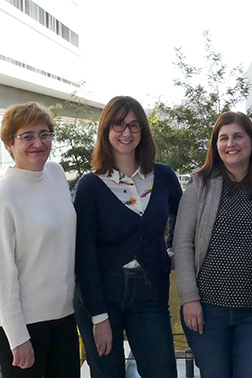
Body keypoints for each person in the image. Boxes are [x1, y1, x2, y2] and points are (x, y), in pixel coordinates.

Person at [173, 111, 252, 378]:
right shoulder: (199, 186)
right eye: (223, 138)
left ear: (251, 141)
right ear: (215, 146)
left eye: (238, 136)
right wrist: (189, 298)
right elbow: (182, 244)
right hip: (207, 310)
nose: (231, 144)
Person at [73, 96, 181, 378]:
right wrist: (98, 316)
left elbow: (182, 219)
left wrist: (172, 251)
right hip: (102, 296)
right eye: (118, 125)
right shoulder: (91, 186)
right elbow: (83, 255)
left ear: (142, 131)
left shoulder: (163, 176)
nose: (127, 132)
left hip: (150, 292)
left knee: (162, 372)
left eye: (134, 126)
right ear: (106, 130)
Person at [0, 102, 80, 378]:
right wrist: (17, 337)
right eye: (27, 136)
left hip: (63, 315)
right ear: (8, 144)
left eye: (44, 134)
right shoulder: (4, 196)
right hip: (21, 324)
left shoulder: (55, 175)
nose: (38, 143)